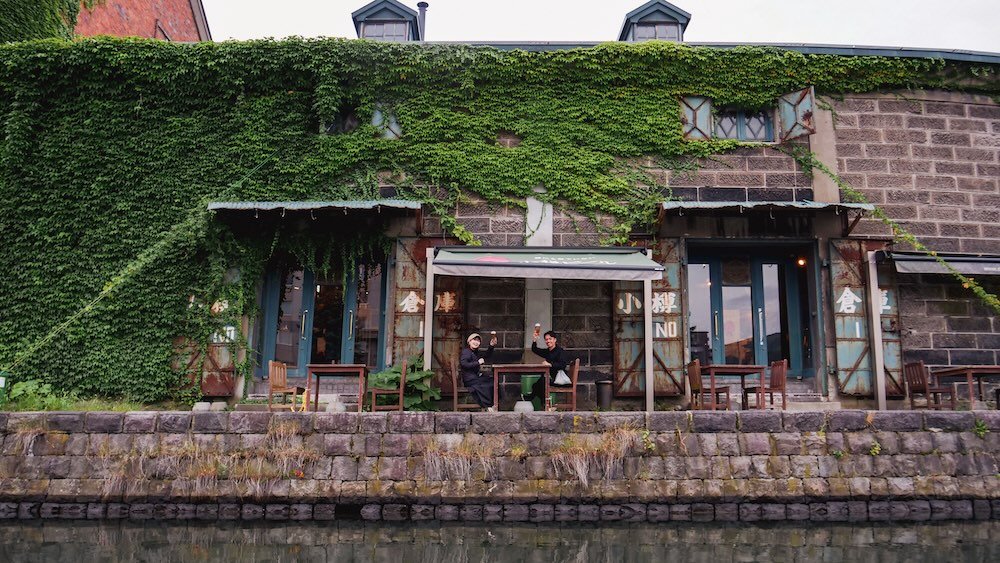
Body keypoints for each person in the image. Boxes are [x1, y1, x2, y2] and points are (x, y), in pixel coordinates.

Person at [528, 327, 572, 406]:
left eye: (550, 339)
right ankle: (544, 403)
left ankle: (542, 403)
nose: (548, 341)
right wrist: (534, 339)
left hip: (558, 379)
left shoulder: (560, 351)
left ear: (555, 340)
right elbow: (535, 350)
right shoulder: (547, 351)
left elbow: (562, 365)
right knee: (536, 385)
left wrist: (550, 364)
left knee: (541, 383)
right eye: (546, 339)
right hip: (549, 377)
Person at [459, 332, 498, 411]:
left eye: (478, 341)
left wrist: (491, 346)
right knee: (487, 384)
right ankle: (488, 405)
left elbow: (486, 356)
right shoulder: (466, 352)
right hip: (470, 380)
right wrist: (477, 363)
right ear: (469, 341)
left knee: (492, 381)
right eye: (474, 340)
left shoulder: (475, 352)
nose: (476, 342)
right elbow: (464, 364)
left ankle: (492, 404)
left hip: (475, 378)